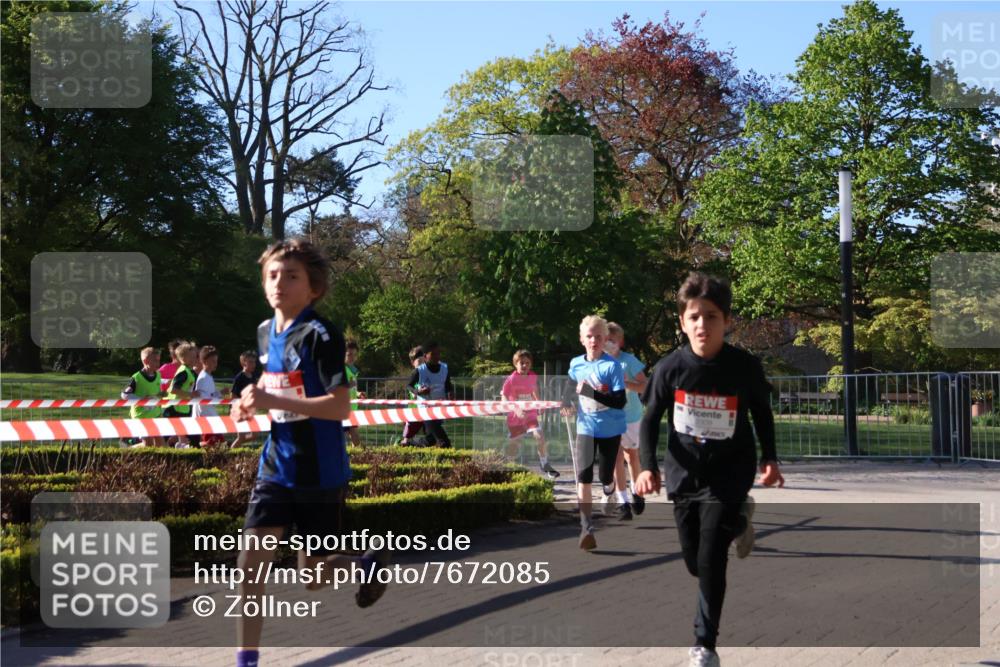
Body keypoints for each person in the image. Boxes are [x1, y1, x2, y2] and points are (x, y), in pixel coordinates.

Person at [230, 238, 390, 667]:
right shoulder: (266, 331)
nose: (280, 281)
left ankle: (362, 564)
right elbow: (274, 382)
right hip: (276, 467)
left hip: (320, 471)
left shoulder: (322, 335)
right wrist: (247, 400)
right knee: (250, 566)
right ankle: (247, 661)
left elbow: (340, 406)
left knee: (313, 578)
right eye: (273, 274)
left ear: (313, 287)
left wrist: (273, 402)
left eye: (292, 275)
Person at [636, 272, 782, 667]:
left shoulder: (743, 366)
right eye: (695, 316)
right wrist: (647, 468)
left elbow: (762, 413)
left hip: (731, 470)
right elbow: (650, 420)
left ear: (727, 321)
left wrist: (770, 458)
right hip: (685, 473)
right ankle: (740, 524)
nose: (703, 325)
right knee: (692, 559)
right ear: (683, 322)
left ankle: (705, 644)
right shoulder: (670, 368)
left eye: (712, 316)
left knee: (711, 558)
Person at [560, 315, 627, 550]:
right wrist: (566, 402)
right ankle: (586, 528)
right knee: (584, 476)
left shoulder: (612, 366)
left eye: (598, 337)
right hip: (585, 427)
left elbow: (619, 401)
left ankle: (609, 489)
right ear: (582, 339)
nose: (593, 340)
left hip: (610, 429)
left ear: (605, 338)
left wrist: (591, 393)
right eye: (589, 336)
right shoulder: (576, 364)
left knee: (605, 476)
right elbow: (570, 385)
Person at [603, 322, 649, 519]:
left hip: (631, 417)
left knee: (632, 456)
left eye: (612, 341)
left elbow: (644, 386)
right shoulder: (598, 362)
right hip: (609, 417)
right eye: (605, 340)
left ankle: (637, 492)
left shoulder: (628, 361)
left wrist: (626, 383)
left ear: (620, 342)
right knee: (616, 458)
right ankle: (623, 502)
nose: (608, 344)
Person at [502, 350, 559, 479]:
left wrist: (539, 404)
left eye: (527, 363)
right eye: (521, 363)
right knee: (516, 443)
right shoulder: (511, 379)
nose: (524, 366)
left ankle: (545, 464)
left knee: (539, 436)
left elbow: (534, 390)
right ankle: (508, 470)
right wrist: (516, 410)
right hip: (515, 417)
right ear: (515, 364)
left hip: (530, 414)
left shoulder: (532, 376)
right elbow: (504, 397)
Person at [408, 341, 453, 447]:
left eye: (438, 353)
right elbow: (409, 386)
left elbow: (447, 384)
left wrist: (450, 392)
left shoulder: (444, 368)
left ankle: (409, 444)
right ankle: (448, 461)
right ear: (425, 356)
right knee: (444, 442)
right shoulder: (419, 371)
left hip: (439, 409)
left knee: (431, 440)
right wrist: (418, 392)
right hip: (426, 410)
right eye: (433, 354)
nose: (437, 357)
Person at [121, 346, 164, 448]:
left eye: (159, 360)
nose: (158, 364)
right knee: (147, 443)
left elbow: (156, 393)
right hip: (141, 415)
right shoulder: (136, 377)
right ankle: (130, 450)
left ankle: (157, 463)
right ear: (145, 361)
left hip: (155, 414)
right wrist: (142, 400)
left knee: (159, 442)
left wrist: (161, 395)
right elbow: (124, 394)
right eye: (155, 361)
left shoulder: (158, 375)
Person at [163, 341, 200, 448]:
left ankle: (181, 450)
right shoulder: (183, 372)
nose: (195, 359)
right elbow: (173, 390)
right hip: (173, 408)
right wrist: (190, 394)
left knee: (186, 435)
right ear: (183, 359)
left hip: (182, 408)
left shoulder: (190, 372)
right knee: (164, 436)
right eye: (192, 357)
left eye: (195, 356)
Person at [194, 345, 228, 447]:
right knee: (211, 445)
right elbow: (204, 400)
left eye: (216, 361)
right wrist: (218, 395)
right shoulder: (203, 378)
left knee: (220, 445)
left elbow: (210, 396)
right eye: (212, 361)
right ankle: (191, 446)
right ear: (204, 361)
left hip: (211, 417)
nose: (215, 364)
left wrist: (220, 393)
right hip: (206, 418)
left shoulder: (208, 377)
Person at [230, 350, 258, 448]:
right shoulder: (239, 377)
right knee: (241, 437)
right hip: (240, 410)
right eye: (250, 362)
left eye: (254, 362)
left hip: (251, 410)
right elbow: (233, 395)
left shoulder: (253, 377)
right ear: (243, 363)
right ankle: (231, 453)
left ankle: (237, 450)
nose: (253, 364)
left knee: (255, 435)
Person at [399, 346, 425, 446]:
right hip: (414, 411)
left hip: (426, 411)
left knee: (431, 433)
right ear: (412, 363)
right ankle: (405, 443)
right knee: (408, 434)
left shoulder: (426, 373)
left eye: (423, 362)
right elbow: (410, 387)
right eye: (419, 363)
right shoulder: (414, 374)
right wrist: (415, 392)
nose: (421, 365)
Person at [343, 339, 367, 447]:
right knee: (341, 440)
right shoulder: (340, 370)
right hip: (342, 411)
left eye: (355, 355)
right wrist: (348, 385)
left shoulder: (353, 370)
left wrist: (357, 394)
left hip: (353, 409)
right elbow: (335, 388)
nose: (352, 357)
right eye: (349, 354)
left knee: (355, 438)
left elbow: (352, 388)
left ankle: (357, 460)